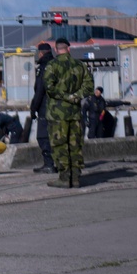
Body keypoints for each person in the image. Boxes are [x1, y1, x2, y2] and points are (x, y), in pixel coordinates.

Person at [43, 37, 93, 188]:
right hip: (75, 113)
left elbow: (49, 87)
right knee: (75, 144)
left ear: (56, 50)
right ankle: (76, 177)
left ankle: (65, 178)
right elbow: (89, 87)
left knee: (59, 145)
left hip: (57, 114)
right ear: (69, 49)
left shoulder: (52, 65)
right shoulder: (80, 66)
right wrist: (75, 96)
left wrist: (65, 96)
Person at [29, 42, 57, 173]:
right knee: (56, 136)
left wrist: (33, 108)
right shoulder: (57, 65)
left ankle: (49, 164)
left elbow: (39, 90)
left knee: (43, 136)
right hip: (59, 108)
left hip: (45, 108)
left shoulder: (43, 67)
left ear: (40, 53)